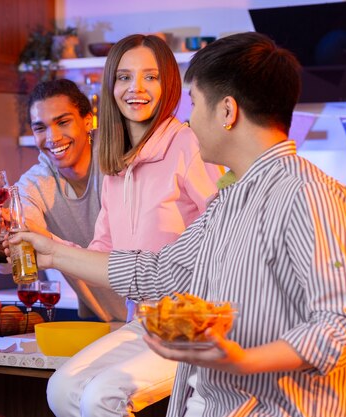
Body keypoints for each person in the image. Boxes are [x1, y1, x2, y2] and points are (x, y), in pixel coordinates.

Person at [10, 32, 346, 417]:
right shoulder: (229, 202)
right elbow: (160, 272)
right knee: (66, 389)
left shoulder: (310, 193)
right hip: (216, 400)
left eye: (193, 103)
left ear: (227, 112)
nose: (187, 120)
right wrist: (52, 252)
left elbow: (345, 322)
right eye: (124, 77)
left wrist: (243, 360)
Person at [44, 34, 222, 417]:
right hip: (142, 321)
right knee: (61, 389)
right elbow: (103, 254)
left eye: (150, 77)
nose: (135, 89)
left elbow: (225, 234)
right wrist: (46, 247)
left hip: (193, 326)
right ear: (111, 86)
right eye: (124, 77)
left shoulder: (189, 144)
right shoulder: (116, 164)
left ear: (169, 84)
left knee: (101, 397)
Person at [0, 78, 128, 322]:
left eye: (63, 122)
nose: (52, 137)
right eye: (40, 128)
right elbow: (8, 254)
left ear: (87, 121)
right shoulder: (34, 183)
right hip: (107, 321)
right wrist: (2, 236)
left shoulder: (119, 161)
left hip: (161, 313)